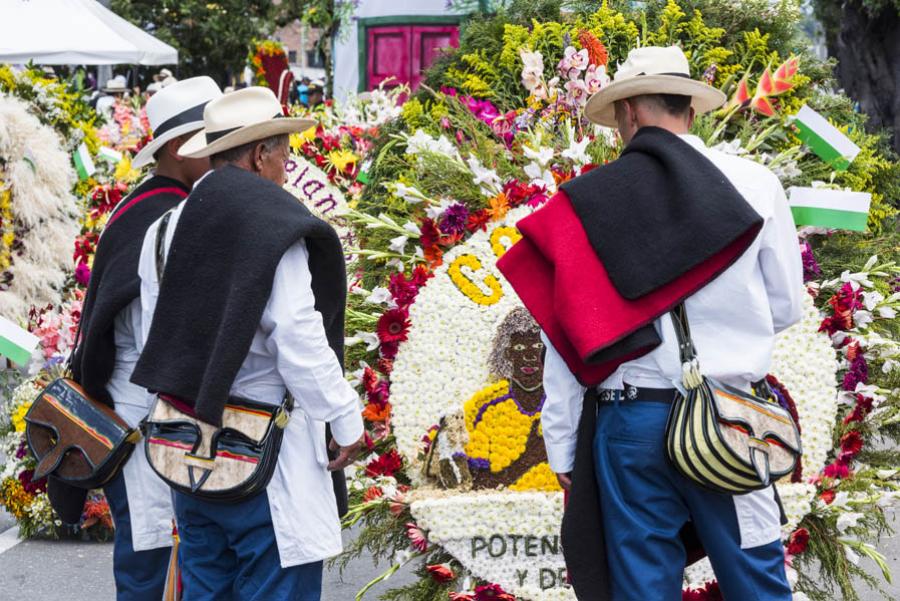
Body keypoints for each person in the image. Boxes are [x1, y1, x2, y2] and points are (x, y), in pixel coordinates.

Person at [498, 46, 804, 600]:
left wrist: (563, 448)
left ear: (630, 114)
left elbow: (568, 345)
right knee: (758, 582)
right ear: (689, 108)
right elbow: (786, 307)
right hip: (732, 419)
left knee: (641, 588)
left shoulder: (583, 205)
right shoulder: (756, 184)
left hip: (631, 423)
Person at [132, 86, 365, 601]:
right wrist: (345, 417)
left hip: (186, 449)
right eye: (284, 152)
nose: (287, 165)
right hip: (263, 455)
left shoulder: (165, 228)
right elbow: (298, 339)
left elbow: (157, 332)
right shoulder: (271, 225)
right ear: (261, 155)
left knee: (206, 589)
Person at [64, 76, 223, 600]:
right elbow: (155, 329)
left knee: (153, 556)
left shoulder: (142, 206)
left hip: (138, 408)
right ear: (179, 149)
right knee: (152, 559)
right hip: (143, 416)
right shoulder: (167, 215)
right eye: (211, 140)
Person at [463, 307, 559, 491]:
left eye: (538, 346)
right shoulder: (484, 408)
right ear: (507, 353)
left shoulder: (566, 403)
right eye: (520, 347)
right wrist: (529, 457)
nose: (529, 356)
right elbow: (477, 486)